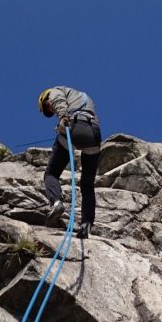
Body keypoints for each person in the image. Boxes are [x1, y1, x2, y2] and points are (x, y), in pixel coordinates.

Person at [37, 86, 103, 239]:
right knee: (87, 184)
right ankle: (87, 223)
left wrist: (63, 117)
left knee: (51, 173)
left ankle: (56, 202)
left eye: (47, 107)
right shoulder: (85, 97)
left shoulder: (54, 91)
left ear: (45, 99)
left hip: (74, 128)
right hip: (93, 133)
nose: (50, 109)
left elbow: (58, 101)